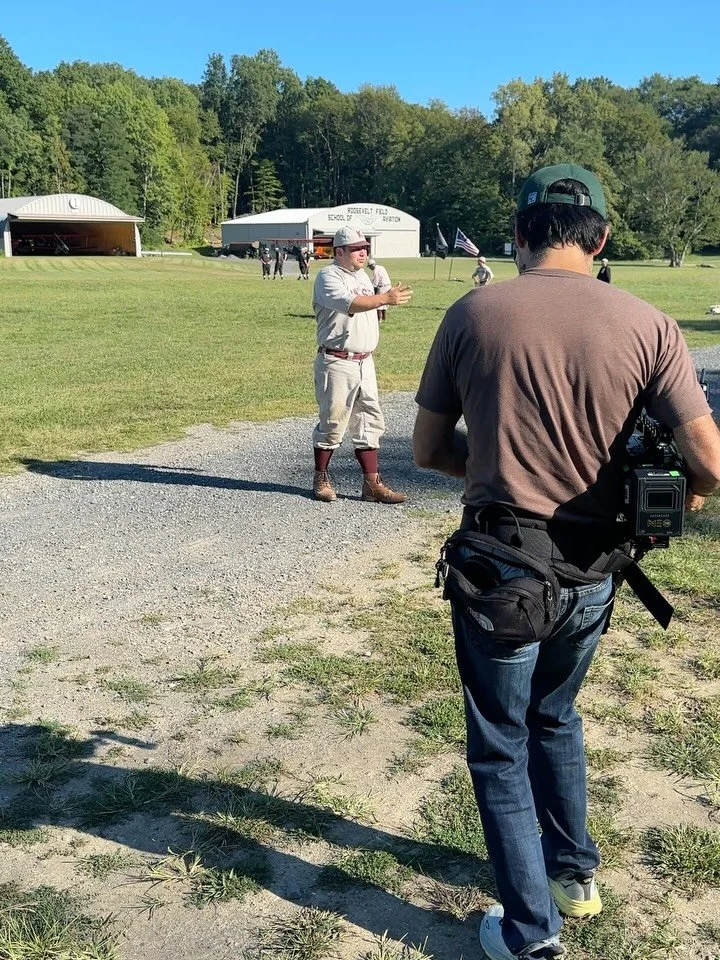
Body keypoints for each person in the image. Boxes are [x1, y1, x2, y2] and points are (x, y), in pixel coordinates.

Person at [413, 163, 720, 960]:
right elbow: (712, 466)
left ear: (518, 234)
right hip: (594, 573)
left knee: (498, 743)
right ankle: (574, 875)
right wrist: (679, 500)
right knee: (555, 716)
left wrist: (496, 469)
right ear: (603, 237)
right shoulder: (650, 323)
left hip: (501, 570)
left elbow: (426, 449)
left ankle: (528, 933)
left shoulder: (471, 313)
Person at [312, 226, 414, 503]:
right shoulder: (328, 276)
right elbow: (351, 304)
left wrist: (381, 300)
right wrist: (385, 298)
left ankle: (372, 484)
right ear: (340, 251)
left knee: (370, 421)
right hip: (337, 360)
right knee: (333, 422)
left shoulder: (362, 277)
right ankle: (320, 477)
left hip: (364, 361)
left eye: (365, 248)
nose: (363, 252)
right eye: (357, 248)